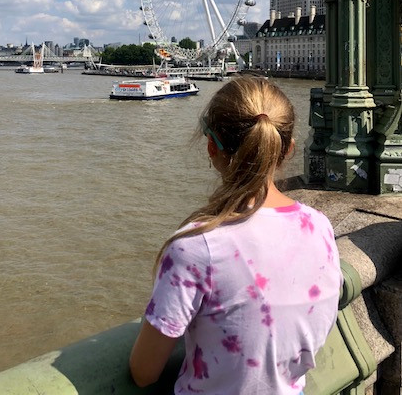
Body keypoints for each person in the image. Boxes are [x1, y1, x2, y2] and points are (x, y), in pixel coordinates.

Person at [130, 76, 341, 394]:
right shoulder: (321, 228)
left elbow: (144, 372)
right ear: (288, 150)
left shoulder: (196, 247)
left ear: (211, 146)